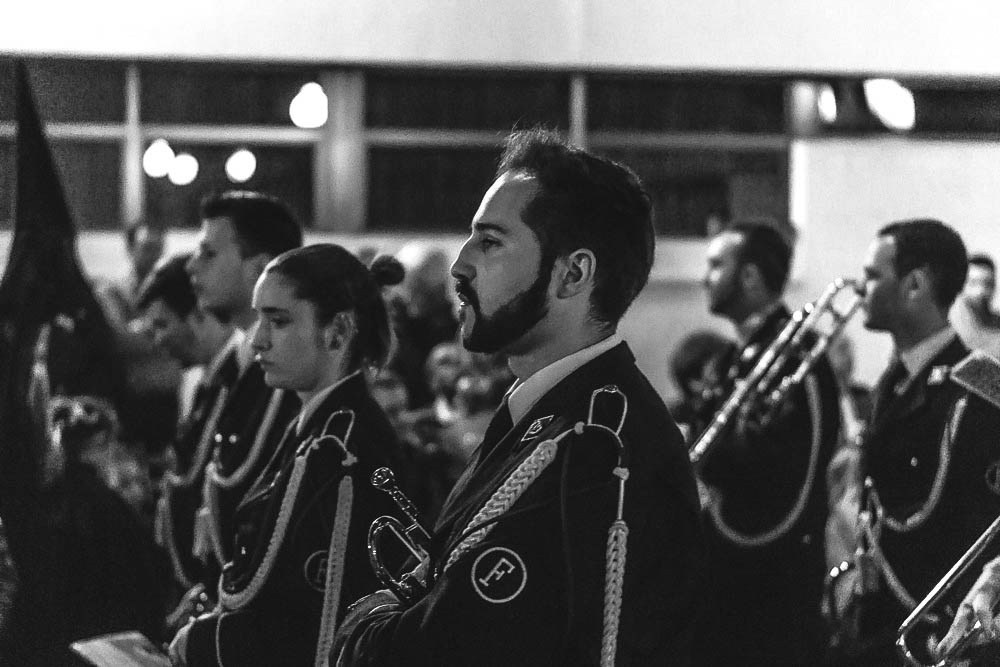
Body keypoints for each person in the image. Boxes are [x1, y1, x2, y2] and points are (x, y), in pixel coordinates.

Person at [332, 128, 704, 665]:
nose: (460, 265)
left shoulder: (598, 445)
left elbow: (450, 648)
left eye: (491, 242)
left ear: (572, 274)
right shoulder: (550, 412)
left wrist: (370, 626)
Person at [169, 244, 409, 666]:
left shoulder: (341, 449)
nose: (258, 339)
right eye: (259, 318)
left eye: (277, 321)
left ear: (337, 331)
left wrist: (203, 643)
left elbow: (320, 625)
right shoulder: (319, 427)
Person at [838, 219, 1000, 665]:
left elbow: (986, 528)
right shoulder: (891, 382)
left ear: (914, 285)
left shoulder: (981, 391)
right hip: (879, 616)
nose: (860, 287)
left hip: (938, 630)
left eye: (873, 276)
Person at [694, 220, 841, 665]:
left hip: (770, 583)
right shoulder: (733, 356)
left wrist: (711, 474)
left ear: (751, 277)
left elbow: (793, 490)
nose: (705, 276)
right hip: (731, 576)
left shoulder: (798, 358)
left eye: (717, 264)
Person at [184, 191, 302, 589]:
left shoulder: (287, 375)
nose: (191, 266)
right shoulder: (240, 364)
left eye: (209, 254)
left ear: (259, 269)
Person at [136, 254, 241, 591]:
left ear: (199, 315)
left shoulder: (239, 385)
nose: (156, 339)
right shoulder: (203, 384)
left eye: (162, 324)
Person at [951, 252, 1000, 359]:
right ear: (961, 285)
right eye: (973, 283)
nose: (981, 291)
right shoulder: (951, 322)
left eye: (988, 283)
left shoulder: (996, 320)